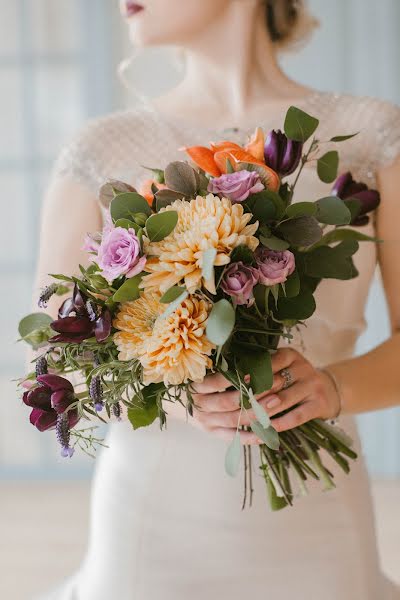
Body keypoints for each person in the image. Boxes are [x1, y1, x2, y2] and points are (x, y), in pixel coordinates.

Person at [35, 1, 400, 598]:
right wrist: (185, 397)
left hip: (321, 528)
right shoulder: (101, 146)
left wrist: (333, 389)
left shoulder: (372, 135)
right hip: (151, 526)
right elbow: (56, 358)